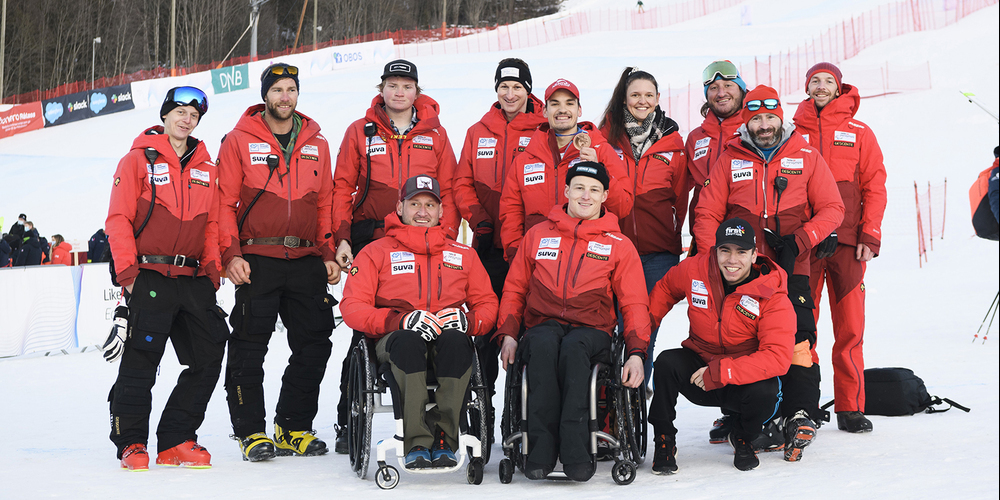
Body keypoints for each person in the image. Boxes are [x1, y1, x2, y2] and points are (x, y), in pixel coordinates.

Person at [693, 85, 844, 462]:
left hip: (793, 266)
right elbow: (707, 212)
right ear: (747, 120)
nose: (764, 125)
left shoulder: (806, 154)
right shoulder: (730, 158)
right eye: (756, 118)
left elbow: (832, 208)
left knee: (798, 338)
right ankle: (747, 412)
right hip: (744, 271)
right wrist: (718, 256)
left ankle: (801, 411)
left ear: (781, 118)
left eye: (770, 118)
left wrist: (801, 239)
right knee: (743, 340)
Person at [331, 59, 461, 453]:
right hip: (372, 237)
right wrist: (340, 238)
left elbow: (450, 191)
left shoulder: (435, 134)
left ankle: (446, 415)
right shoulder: (360, 131)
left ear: (417, 92)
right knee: (365, 328)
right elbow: (341, 188)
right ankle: (348, 418)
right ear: (382, 89)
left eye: (407, 85)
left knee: (433, 308)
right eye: (392, 84)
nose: (399, 92)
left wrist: (447, 236)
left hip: (427, 237)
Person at [496, 162, 650, 481]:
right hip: (543, 323)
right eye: (579, 187)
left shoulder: (618, 245)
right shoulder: (538, 235)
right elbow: (515, 288)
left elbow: (634, 303)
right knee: (541, 345)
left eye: (594, 189)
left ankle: (576, 451)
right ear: (566, 191)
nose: (585, 195)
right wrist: (509, 334)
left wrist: (636, 352)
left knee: (573, 348)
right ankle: (539, 451)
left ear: (605, 196)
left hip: (591, 330)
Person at [217, 63, 340, 462]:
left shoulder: (316, 141)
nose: (285, 97)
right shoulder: (238, 140)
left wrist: (327, 251)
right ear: (264, 95)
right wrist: (230, 253)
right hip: (258, 257)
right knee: (250, 347)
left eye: (291, 89)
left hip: (305, 257)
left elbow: (324, 204)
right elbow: (224, 204)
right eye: (278, 90)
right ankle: (251, 431)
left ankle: (293, 427)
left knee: (315, 343)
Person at [103, 86, 226, 471]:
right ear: (165, 114)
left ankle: (176, 439)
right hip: (149, 274)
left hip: (192, 278)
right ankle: (132, 443)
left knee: (208, 353)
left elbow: (212, 225)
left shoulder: (207, 168)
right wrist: (128, 274)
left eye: (194, 115)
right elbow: (118, 219)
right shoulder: (137, 160)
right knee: (141, 362)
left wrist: (212, 275)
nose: (187, 119)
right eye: (180, 111)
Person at [340, 175, 498, 468]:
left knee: (456, 341)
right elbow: (352, 307)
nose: (422, 211)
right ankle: (415, 441)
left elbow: (488, 305)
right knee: (409, 341)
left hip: (445, 337)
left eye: (429, 204)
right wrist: (398, 320)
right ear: (400, 207)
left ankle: (445, 439)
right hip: (397, 339)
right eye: (414, 204)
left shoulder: (463, 255)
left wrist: (467, 321)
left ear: (441, 212)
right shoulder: (376, 251)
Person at [647, 218, 794, 473]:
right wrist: (641, 334)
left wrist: (721, 372)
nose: (732, 260)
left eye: (741, 252)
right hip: (698, 368)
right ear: (715, 251)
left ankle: (743, 436)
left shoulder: (772, 293)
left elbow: (777, 357)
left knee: (767, 390)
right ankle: (664, 439)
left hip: (739, 378)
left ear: (754, 254)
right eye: (725, 250)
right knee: (666, 362)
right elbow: (665, 290)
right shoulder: (695, 269)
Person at [453, 57, 546, 439]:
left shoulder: (543, 128)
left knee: (529, 326)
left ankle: (526, 414)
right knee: (488, 326)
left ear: (528, 90)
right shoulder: (479, 131)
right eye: (504, 87)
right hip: (489, 247)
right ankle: (481, 406)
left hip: (534, 249)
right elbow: (461, 181)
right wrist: (478, 218)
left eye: (517, 87)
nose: (510, 94)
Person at [793, 62, 888, 434]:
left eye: (827, 81)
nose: (820, 86)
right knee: (803, 326)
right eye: (814, 81)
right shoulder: (791, 131)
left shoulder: (859, 131)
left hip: (848, 243)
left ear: (838, 87)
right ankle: (806, 404)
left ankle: (850, 406)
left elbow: (874, 186)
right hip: (807, 241)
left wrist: (870, 234)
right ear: (806, 87)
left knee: (850, 327)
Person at [598, 67, 689, 378]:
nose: (642, 101)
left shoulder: (673, 141)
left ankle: (637, 389)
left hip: (657, 252)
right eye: (635, 94)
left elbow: (680, 198)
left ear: (658, 99)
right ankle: (607, 392)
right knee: (610, 323)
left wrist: (670, 234)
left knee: (645, 324)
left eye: (648, 95)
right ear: (624, 98)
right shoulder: (604, 138)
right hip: (611, 248)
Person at [499, 78, 633, 262]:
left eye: (569, 103)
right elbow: (511, 211)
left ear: (579, 110)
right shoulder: (527, 157)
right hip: (537, 259)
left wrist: (600, 170)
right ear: (545, 110)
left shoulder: (601, 150)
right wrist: (516, 252)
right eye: (555, 104)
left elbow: (624, 206)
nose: (562, 110)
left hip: (588, 261)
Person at [685, 61, 747, 258]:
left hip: (746, 233)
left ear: (742, 89)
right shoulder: (695, 137)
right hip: (705, 234)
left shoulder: (755, 130)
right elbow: (680, 189)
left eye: (728, 85)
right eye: (713, 88)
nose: (721, 93)